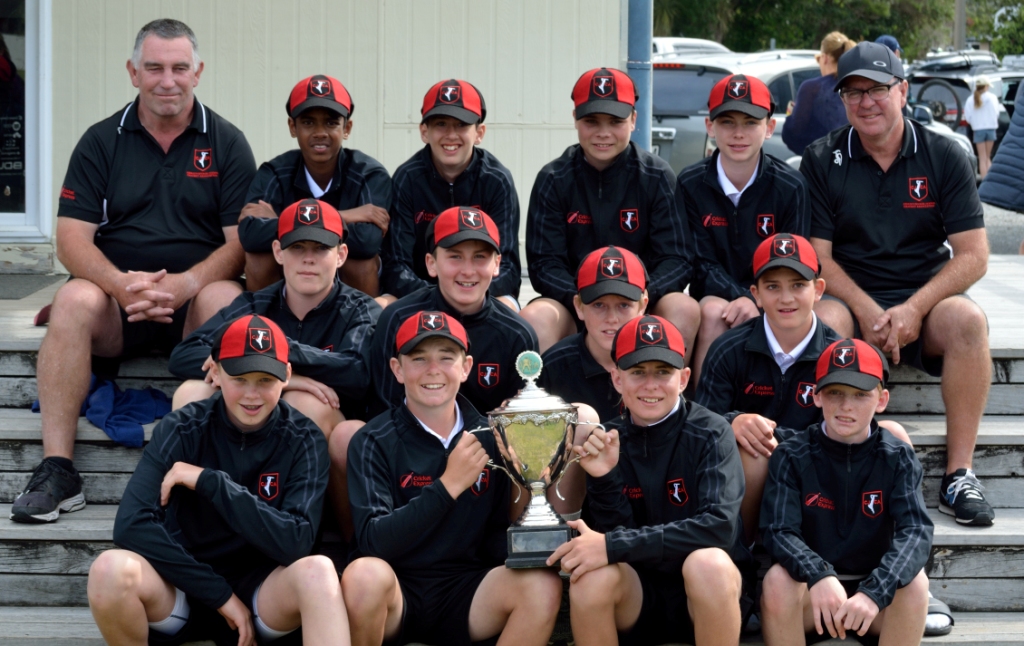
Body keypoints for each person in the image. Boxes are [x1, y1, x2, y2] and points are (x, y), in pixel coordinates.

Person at [11, 19, 256, 524]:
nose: (168, 80)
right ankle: (58, 470)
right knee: (74, 299)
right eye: (154, 68)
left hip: (193, 307)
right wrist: (118, 284)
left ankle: (217, 472)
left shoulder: (228, 143)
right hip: (117, 304)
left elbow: (240, 245)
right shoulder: (101, 141)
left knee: (227, 301)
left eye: (179, 68)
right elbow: (71, 239)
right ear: (132, 72)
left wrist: (188, 283)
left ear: (198, 72)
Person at [803, 41, 994, 526]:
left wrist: (913, 308)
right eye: (853, 91)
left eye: (878, 89)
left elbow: (974, 256)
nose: (866, 101)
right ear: (841, 98)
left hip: (925, 303)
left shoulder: (945, 153)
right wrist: (869, 311)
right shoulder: (822, 160)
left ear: (903, 90)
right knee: (822, 318)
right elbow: (819, 260)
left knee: (969, 321)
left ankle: (959, 474)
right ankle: (823, 463)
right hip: (852, 300)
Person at [87, 314, 347, 646]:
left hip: (263, 597)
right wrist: (220, 596)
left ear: (287, 377)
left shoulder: (304, 438)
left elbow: (298, 543)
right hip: (184, 590)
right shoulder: (181, 428)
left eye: (265, 380)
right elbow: (130, 525)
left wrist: (213, 483)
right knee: (109, 569)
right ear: (217, 372)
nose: (252, 394)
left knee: (320, 572)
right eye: (240, 377)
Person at [341, 311, 562, 646]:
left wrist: (550, 535)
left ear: (466, 367)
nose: (433, 370)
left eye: (446, 358)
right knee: (363, 576)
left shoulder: (493, 437)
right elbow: (373, 541)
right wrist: (448, 487)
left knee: (542, 585)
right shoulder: (373, 439)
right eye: (419, 359)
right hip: (397, 591)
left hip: (468, 590)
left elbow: (493, 540)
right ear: (397, 370)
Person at [329, 206, 537, 538]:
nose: (467, 270)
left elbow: (520, 421)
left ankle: (509, 546)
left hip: (483, 456)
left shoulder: (516, 334)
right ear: (431, 263)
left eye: (480, 257)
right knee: (346, 435)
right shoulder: (397, 317)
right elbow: (386, 406)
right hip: (409, 451)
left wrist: (470, 446)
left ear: (498, 265)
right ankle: (358, 544)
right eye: (455, 256)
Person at [168, 198, 380, 524]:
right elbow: (184, 355)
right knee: (191, 393)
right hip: (252, 436)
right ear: (279, 252)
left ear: (340, 255)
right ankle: (196, 520)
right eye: (297, 248)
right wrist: (282, 376)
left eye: (320, 248)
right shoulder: (256, 304)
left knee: (302, 402)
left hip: (328, 453)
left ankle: (294, 521)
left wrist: (278, 351)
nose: (308, 259)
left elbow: (357, 372)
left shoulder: (362, 309)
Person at [550, 314, 753, 646]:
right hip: (638, 596)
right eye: (637, 373)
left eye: (663, 372)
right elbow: (613, 539)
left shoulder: (712, 431)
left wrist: (612, 545)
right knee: (590, 578)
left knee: (709, 563)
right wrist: (604, 478)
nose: (650, 385)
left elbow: (718, 528)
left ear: (684, 378)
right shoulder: (609, 439)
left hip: (704, 599)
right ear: (617, 378)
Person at [697, 233, 911, 544]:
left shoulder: (839, 355)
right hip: (752, 471)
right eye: (773, 287)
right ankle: (741, 555)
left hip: (820, 466)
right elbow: (700, 419)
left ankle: (881, 554)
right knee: (751, 450)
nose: (786, 299)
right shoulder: (729, 349)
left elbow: (851, 426)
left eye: (798, 285)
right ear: (755, 294)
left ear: (819, 289)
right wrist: (732, 420)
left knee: (893, 436)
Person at [760, 338, 933, 646]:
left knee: (916, 584)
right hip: (813, 597)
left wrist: (875, 591)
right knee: (777, 581)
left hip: (872, 600)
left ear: (881, 400)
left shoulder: (897, 457)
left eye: (860, 394)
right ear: (816, 396)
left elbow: (916, 531)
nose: (846, 406)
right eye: (835, 392)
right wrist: (819, 575)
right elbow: (778, 531)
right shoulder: (791, 455)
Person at [522, 67, 699, 354]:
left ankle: (668, 396)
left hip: (641, 304)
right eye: (591, 120)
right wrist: (591, 302)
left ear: (633, 120)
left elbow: (677, 259)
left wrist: (634, 300)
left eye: (615, 121)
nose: (603, 133)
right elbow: (544, 265)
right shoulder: (553, 178)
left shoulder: (656, 176)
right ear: (575, 119)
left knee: (683, 307)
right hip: (576, 304)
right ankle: (548, 399)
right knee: (537, 317)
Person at [679, 74, 810, 385]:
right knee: (713, 311)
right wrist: (741, 297)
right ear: (710, 127)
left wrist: (757, 299)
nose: (739, 134)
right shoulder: (690, 183)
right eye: (727, 122)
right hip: (717, 299)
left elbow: (795, 262)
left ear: (769, 128)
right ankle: (703, 414)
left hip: (775, 296)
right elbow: (697, 262)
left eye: (750, 122)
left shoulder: (790, 187)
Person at [239, 75, 392, 298]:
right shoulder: (275, 171)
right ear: (293, 126)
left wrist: (280, 220)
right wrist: (347, 216)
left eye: (331, 122)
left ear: (347, 128)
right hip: (291, 273)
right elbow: (250, 235)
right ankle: (264, 328)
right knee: (258, 259)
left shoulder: (369, 173)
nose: (320, 132)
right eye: (308, 122)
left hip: (344, 278)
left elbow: (367, 242)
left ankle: (365, 329)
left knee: (360, 263)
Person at [381, 79, 521, 307]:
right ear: (424, 132)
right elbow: (396, 265)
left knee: (511, 309)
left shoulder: (496, 180)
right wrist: (437, 296)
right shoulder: (407, 178)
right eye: (441, 124)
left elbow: (508, 268)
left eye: (462, 125)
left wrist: (469, 296)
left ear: (479, 132)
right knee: (380, 306)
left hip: (481, 294)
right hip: (420, 293)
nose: (451, 135)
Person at [539, 246, 649, 423]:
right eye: (598, 305)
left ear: (642, 306)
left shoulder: (658, 362)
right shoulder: (553, 366)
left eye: (624, 305)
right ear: (579, 307)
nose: (612, 318)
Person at [782, 31, 856, 156]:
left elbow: (793, 134)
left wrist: (790, 115)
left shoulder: (812, 88)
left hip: (820, 165)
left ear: (825, 57)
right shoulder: (857, 86)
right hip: (854, 163)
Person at [964, 75, 1000, 179]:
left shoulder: (970, 99)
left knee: (982, 158)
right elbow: (996, 113)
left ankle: (984, 180)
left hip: (978, 131)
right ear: (986, 86)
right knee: (988, 157)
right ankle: (991, 180)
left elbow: (968, 117)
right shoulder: (993, 98)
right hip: (991, 129)